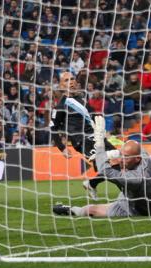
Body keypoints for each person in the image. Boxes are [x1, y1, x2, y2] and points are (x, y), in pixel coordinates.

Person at [53, 116, 151, 217]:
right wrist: (110, 154)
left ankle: (74, 207)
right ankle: (70, 208)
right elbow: (126, 151)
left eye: (126, 157)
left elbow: (103, 169)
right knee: (94, 208)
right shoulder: (143, 155)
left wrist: (100, 143)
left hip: (135, 209)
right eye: (121, 155)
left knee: (91, 210)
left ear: (137, 159)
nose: (121, 159)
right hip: (150, 199)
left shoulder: (134, 179)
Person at [50, 71, 117, 199]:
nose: (71, 82)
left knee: (116, 162)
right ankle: (133, 197)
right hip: (82, 141)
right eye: (67, 80)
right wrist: (62, 147)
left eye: (72, 79)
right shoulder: (61, 105)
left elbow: (90, 118)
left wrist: (103, 131)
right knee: (112, 165)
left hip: (96, 137)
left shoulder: (81, 99)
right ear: (61, 85)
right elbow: (53, 127)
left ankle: (91, 183)